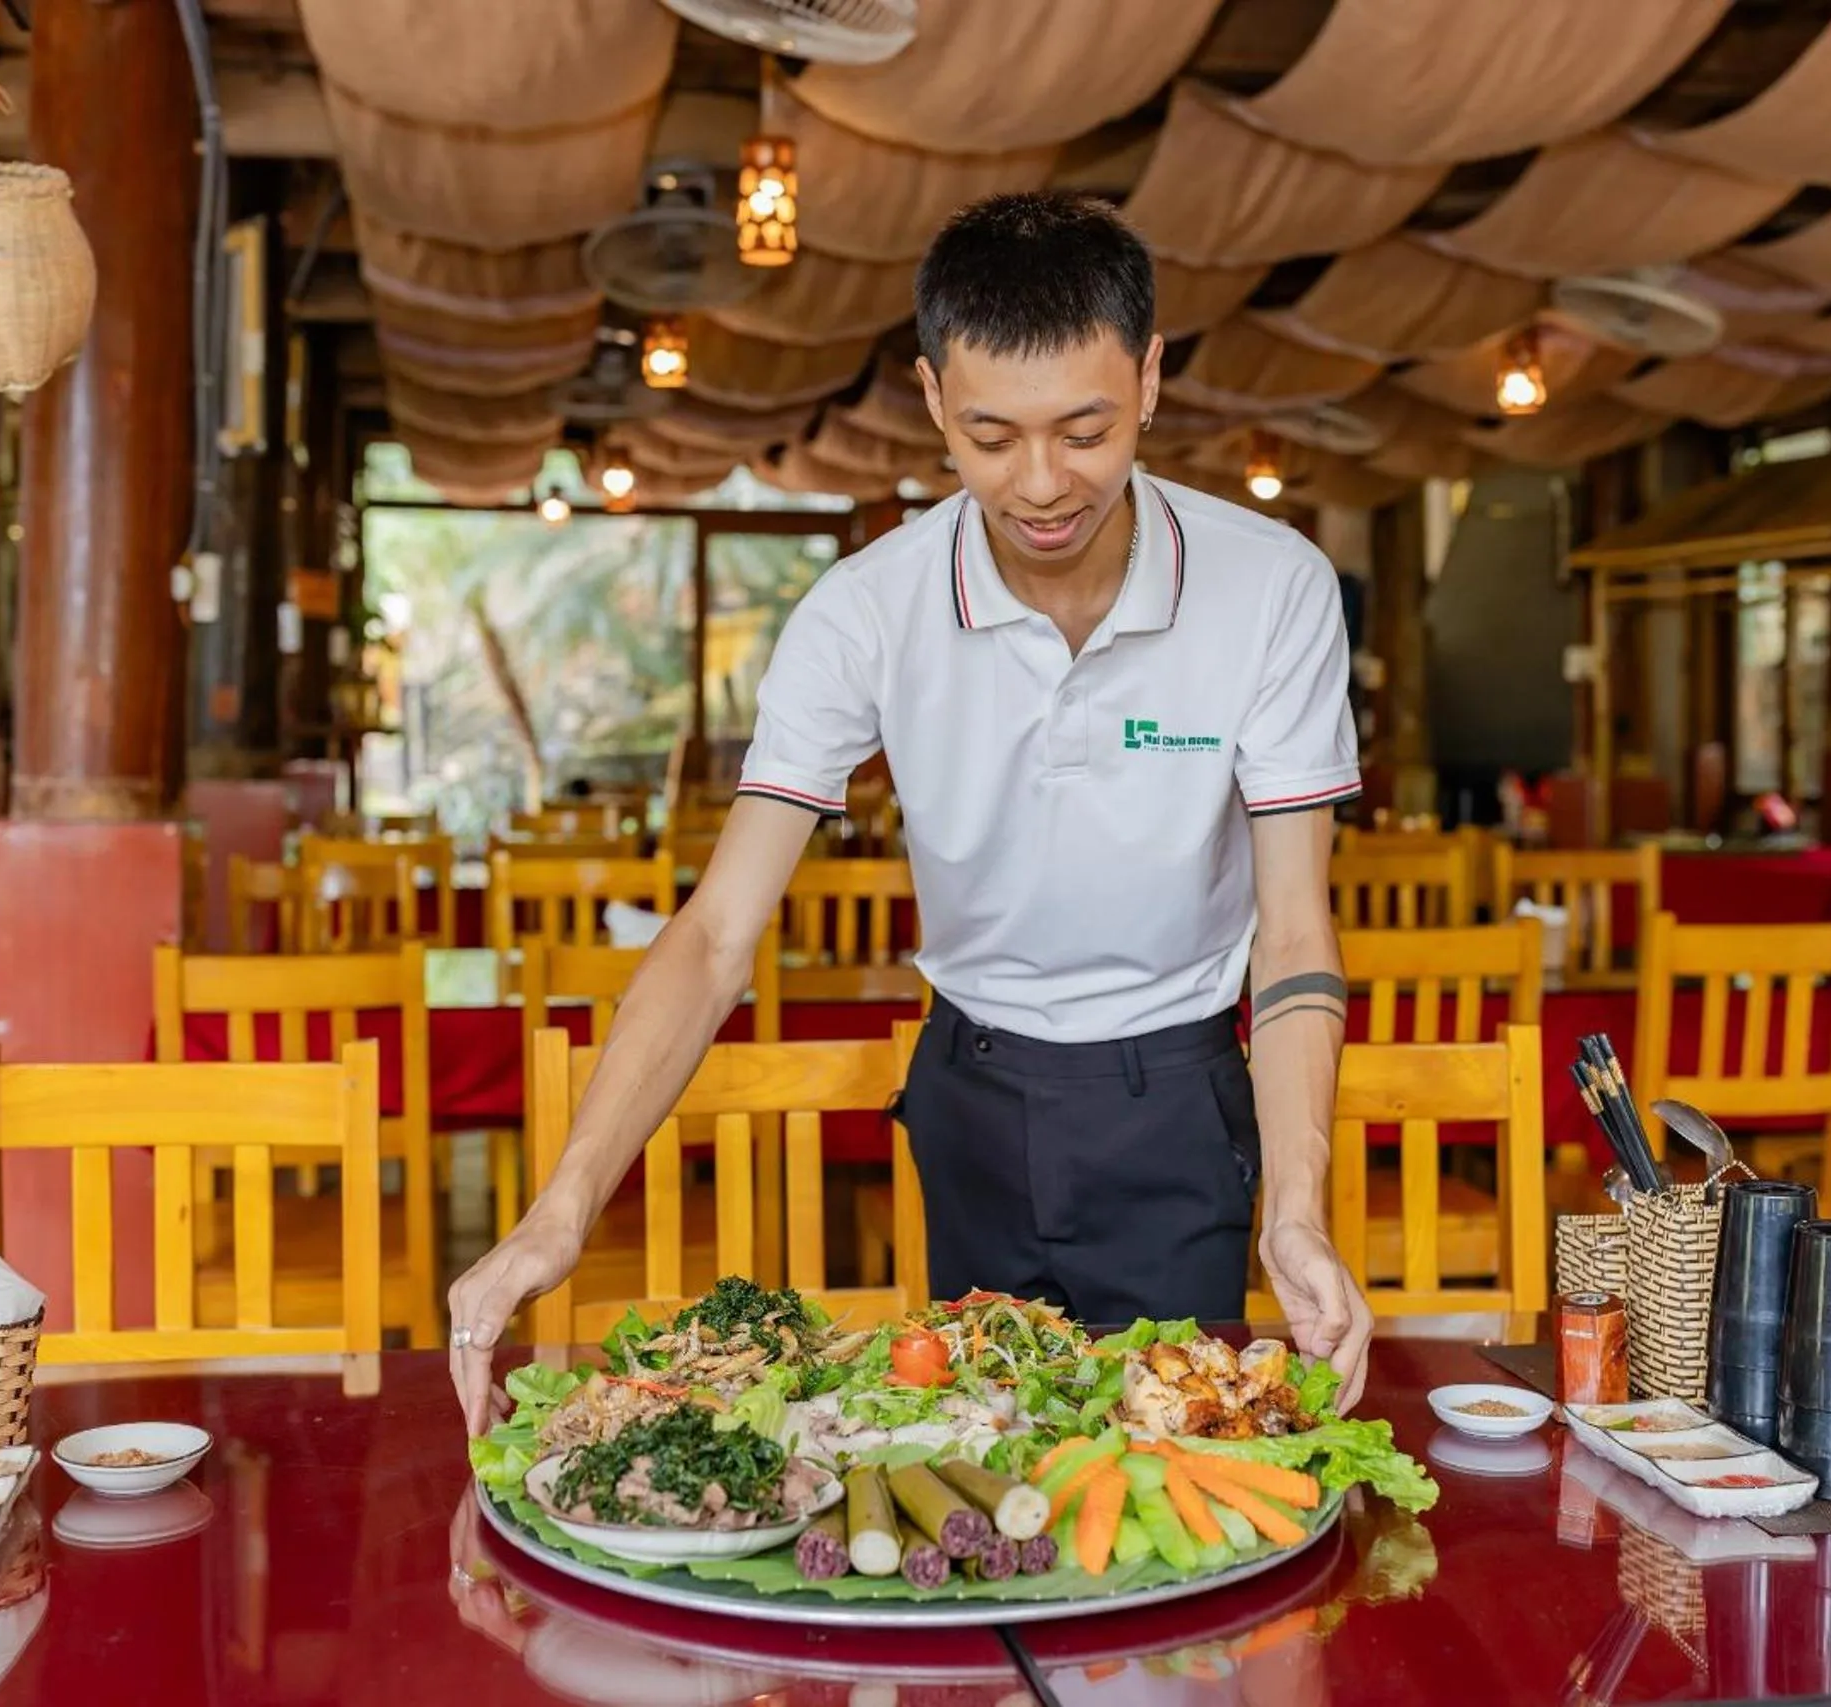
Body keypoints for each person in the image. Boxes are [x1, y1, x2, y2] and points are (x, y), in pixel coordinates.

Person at [447, 191, 1373, 1434]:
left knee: (1172, 1467)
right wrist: (557, 1216)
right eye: (990, 437)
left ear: (1150, 381)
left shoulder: (1271, 588)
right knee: (978, 1460)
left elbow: (1295, 931)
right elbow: (719, 934)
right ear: (934, 399)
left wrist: (1297, 1215)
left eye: (1085, 430)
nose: (1040, 484)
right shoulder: (865, 610)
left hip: (1182, 1095)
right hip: (971, 1089)